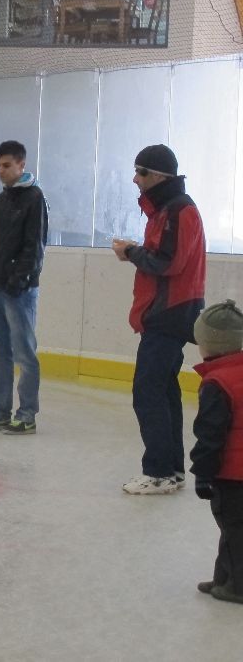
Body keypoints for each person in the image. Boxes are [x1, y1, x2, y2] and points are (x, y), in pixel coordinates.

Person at [113, 144, 206, 494]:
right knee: (164, 390)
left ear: (159, 176)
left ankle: (159, 472)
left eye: (141, 173)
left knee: (148, 391)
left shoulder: (180, 210)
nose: (135, 179)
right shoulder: (166, 210)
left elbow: (168, 263)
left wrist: (131, 252)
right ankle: (172, 470)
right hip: (166, 311)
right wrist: (136, 252)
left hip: (170, 313)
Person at [0, 140, 48, 434]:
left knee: (24, 353)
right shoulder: (0, 201)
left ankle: (26, 414)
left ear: (21, 165)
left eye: (6, 165)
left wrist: (19, 281)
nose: (1, 171)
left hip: (19, 292)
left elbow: (35, 247)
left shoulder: (35, 198)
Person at [190, 299, 243, 604]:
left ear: (208, 345)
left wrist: (203, 474)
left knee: (234, 529)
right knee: (233, 528)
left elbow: (210, 434)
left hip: (232, 475)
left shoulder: (217, 382)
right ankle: (223, 578)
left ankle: (238, 586)